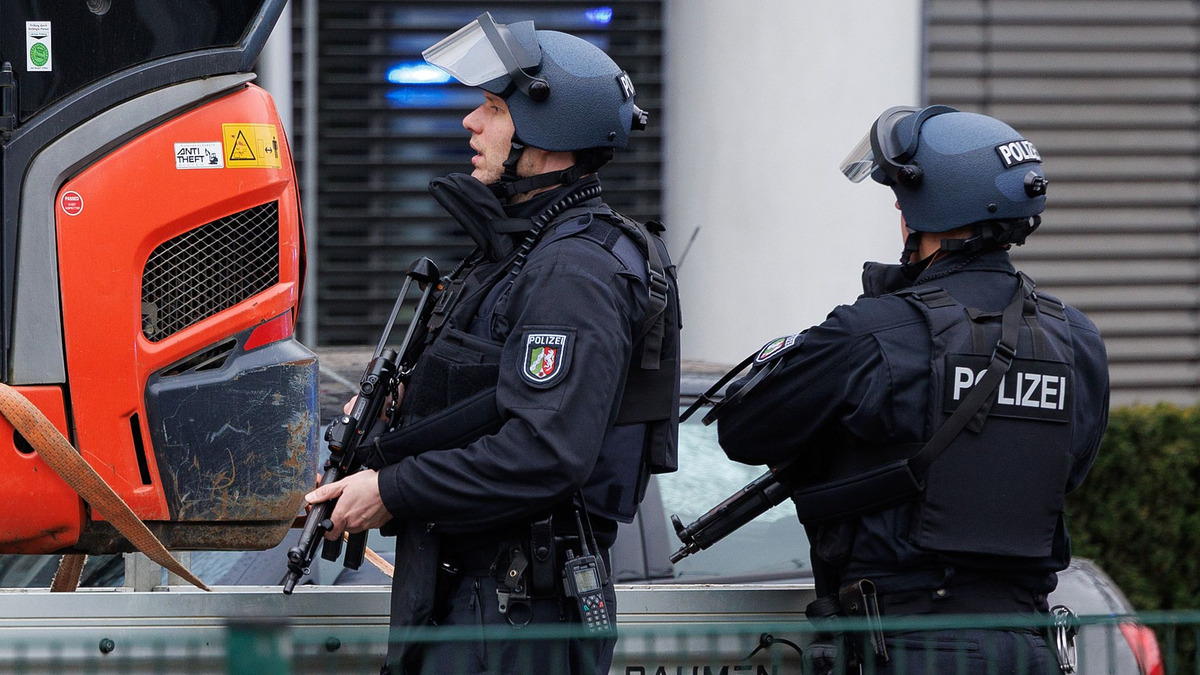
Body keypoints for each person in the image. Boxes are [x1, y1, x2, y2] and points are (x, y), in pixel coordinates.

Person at [303, 13, 680, 675]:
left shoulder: (574, 270)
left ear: (549, 131)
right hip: (477, 603)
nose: (470, 123)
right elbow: (484, 404)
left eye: (493, 108)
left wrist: (393, 488)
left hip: (512, 614)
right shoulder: (524, 252)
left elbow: (544, 451)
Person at [715, 106, 1109, 673]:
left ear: (926, 211)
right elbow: (1067, 468)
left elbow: (744, 430)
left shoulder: (874, 332)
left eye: (901, 201)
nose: (898, 212)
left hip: (909, 645)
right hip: (1029, 645)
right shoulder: (1078, 339)